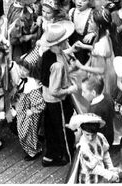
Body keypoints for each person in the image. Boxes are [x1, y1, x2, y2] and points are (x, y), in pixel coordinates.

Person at [40, 21, 78, 166]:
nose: (67, 41)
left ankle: (51, 154)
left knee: (51, 127)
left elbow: (61, 54)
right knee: (63, 128)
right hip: (57, 101)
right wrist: (70, 90)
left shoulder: (48, 53)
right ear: (60, 43)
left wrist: (70, 51)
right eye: (65, 40)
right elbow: (54, 90)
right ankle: (67, 156)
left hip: (47, 98)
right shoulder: (57, 66)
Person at [15, 54, 45, 160]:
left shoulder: (33, 85)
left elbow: (40, 103)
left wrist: (32, 111)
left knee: (27, 132)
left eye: (25, 70)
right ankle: (31, 149)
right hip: (22, 110)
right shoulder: (25, 79)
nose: (22, 72)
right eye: (21, 68)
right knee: (23, 131)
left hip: (29, 113)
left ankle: (33, 151)